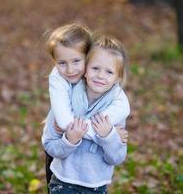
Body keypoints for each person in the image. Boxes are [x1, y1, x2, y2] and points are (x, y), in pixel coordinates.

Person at [42, 34, 130, 193]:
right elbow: (50, 145)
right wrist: (69, 140)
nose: (101, 76)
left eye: (109, 72)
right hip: (63, 182)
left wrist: (108, 136)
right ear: (85, 69)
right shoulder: (64, 101)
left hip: (97, 186)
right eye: (95, 68)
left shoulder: (115, 109)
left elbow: (116, 158)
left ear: (118, 78)